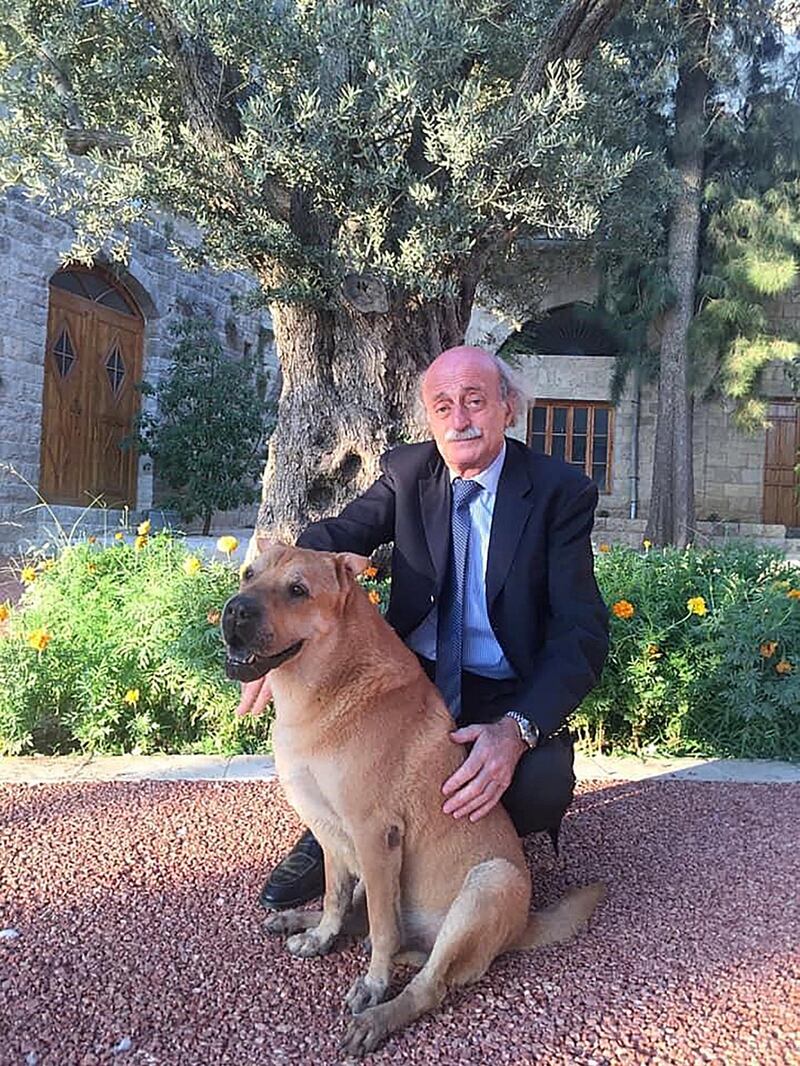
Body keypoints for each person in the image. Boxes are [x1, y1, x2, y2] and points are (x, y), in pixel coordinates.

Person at [239, 345, 609, 911]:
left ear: (508, 408)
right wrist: (277, 634)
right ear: (428, 418)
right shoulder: (408, 473)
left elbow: (580, 633)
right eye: (442, 406)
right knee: (348, 753)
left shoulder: (559, 492)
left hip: (501, 687)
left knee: (538, 784)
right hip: (410, 678)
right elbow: (333, 537)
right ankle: (333, 835)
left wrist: (515, 730)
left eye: (475, 401)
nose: (459, 419)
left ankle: (462, 852)